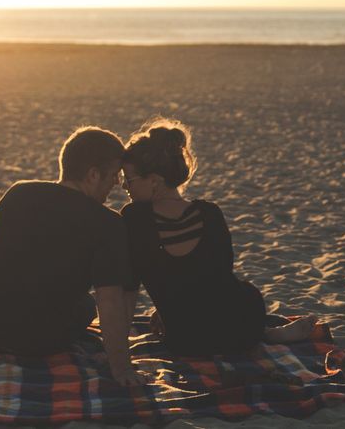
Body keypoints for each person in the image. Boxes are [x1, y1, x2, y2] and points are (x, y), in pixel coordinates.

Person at [0, 126, 146, 386]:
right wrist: (121, 368)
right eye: (113, 175)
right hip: (35, 342)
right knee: (87, 306)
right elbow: (109, 302)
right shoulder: (106, 223)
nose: (116, 184)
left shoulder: (17, 193)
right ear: (92, 174)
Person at [120, 117, 316, 356]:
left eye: (128, 179)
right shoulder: (209, 213)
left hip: (184, 338)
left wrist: (162, 311)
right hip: (240, 327)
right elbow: (215, 277)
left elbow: (131, 286)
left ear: (154, 180)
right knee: (244, 294)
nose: (124, 187)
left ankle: (267, 335)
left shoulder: (134, 218)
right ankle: (266, 334)